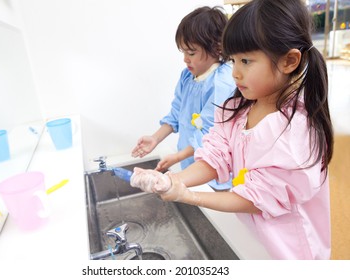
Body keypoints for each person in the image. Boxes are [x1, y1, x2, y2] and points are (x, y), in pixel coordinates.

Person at [130, 0, 334, 260]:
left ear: (289, 61)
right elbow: (215, 157)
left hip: (292, 249)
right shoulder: (237, 109)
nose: (235, 73)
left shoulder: (294, 129)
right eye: (233, 60)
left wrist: (188, 195)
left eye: (246, 61)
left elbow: (255, 198)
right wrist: (172, 180)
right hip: (256, 238)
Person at [131, 6, 235, 190]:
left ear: (217, 47)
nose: (185, 59)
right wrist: (155, 138)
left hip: (215, 175)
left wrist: (179, 157)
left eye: (191, 53)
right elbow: (177, 112)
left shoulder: (222, 82)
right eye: (183, 52)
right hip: (190, 166)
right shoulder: (187, 77)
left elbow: (210, 133)